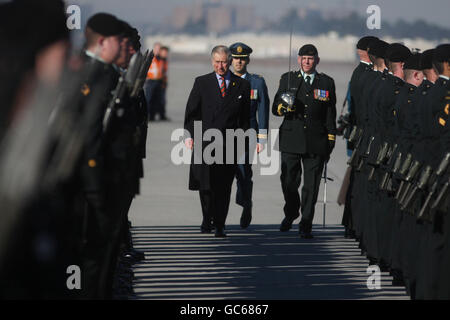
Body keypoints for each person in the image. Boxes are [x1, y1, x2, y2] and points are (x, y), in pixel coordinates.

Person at [184, 45, 251, 237]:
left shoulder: (242, 85)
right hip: (205, 142)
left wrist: (243, 142)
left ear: (230, 61)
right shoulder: (202, 83)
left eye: (223, 62)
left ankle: (220, 223)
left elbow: (245, 119)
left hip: (230, 143)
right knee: (205, 185)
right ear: (212, 61)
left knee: (223, 186)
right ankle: (207, 219)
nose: (220, 66)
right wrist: (190, 136)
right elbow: (192, 113)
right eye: (217, 62)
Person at [272, 44, 336, 238]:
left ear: (317, 60)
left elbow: (330, 114)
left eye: (311, 58)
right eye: (303, 58)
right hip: (292, 138)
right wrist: (285, 108)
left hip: (316, 141)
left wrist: (330, 140)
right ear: (298, 59)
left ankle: (306, 223)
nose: (307, 61)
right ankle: (291, 212)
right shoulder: (288, 79)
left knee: (311, 186)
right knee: (289, 182)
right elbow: (276, 107)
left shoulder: (326, 82)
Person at [229, 42, 270, 229]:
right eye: (236, 58)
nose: (239, 62)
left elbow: (262, 110)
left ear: (248, 60)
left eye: (242, 59)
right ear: (231, 59)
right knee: (222, 176)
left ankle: (246, 204)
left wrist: (262, 138)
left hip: (248, 135)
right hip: (223, 135)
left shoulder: (257, 82)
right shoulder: (224, 80)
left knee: (244, 172)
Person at [144, 42, 169, 121]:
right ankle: (147, 115)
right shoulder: (150, 58)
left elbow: (163, 71)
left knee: (159, 99)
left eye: (159, 49)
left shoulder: (162, 59)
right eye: (157, 48)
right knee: (149, 98)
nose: (158, 50)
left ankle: (155, 116)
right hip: (150, 81)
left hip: (159, 81)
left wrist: (164, 82)